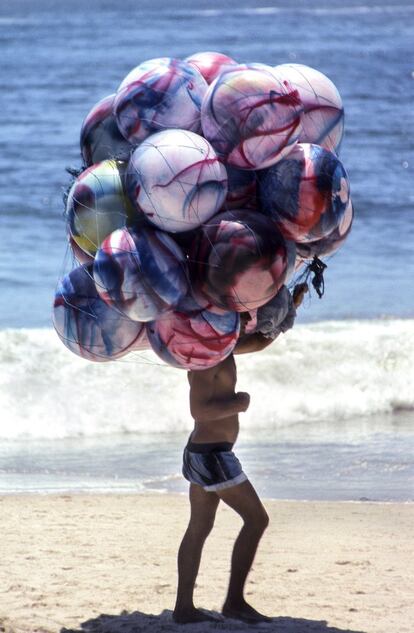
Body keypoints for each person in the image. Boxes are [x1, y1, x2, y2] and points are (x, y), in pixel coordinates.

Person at [172, 283, 308, 625]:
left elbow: (260, 341)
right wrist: (239, 403)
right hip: (212, 457)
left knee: (199, 527)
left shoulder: (223, 348)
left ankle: (184, 609)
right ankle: (233, 602)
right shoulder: (203, 359)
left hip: (205, 453)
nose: (237, 322)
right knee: (257, 519)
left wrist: (291, 306)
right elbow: (200, 410)